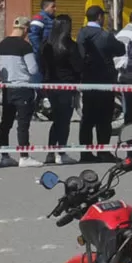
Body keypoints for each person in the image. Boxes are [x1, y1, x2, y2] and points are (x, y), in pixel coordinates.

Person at [77, 5, 125, 164]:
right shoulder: (105, 35)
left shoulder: (81, 33)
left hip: (88, 81)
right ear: (99, 17)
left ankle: (85, 152)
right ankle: (103, 151)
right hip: (104, 81)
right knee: (104, 119)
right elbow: (121, 49)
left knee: (87, 118)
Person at [0, 17, 42, 168]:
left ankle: (5, 156)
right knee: (23, 124)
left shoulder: (1, 45)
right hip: (23, 88)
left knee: (5, 123)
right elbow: (33, 69)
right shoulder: (24, 46)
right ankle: (24, 156)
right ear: (26, 29)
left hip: (7, 88)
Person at [40, 14, 82, 166]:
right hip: (67, 86)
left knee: (57, 120)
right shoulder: (70, 46)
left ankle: (51, 152)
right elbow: (78, 67)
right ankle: (60, 152)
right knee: (64, 121)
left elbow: (42, 66)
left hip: (50, 86)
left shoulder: (46, 45)